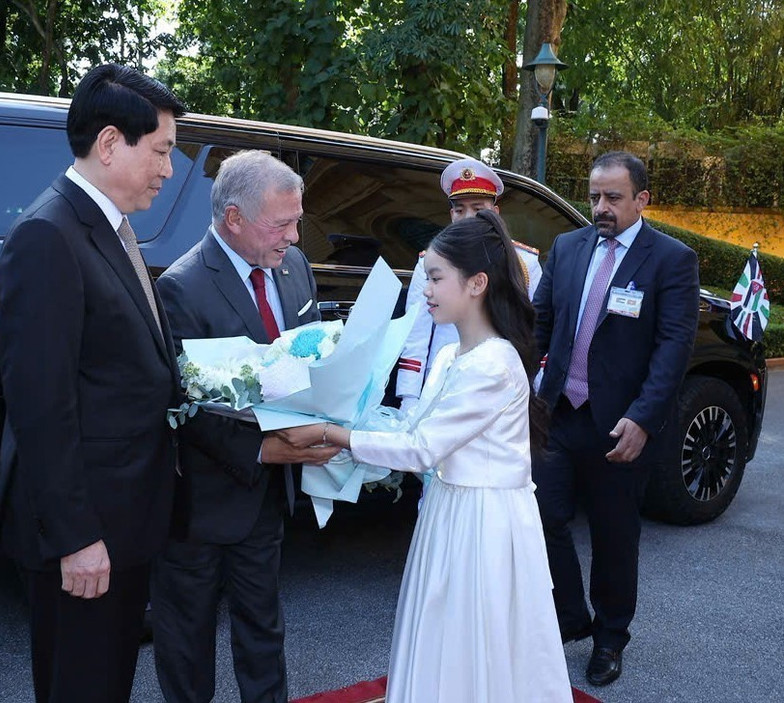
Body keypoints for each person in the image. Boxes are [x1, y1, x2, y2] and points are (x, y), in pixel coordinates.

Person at [283, 210, 572, 702]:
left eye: (436, 278)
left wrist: (335, 433)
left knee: (475, 636)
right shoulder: (448, 355)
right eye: (425, 278)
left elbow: (421, 448)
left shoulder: (494, 366)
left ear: (478, 283)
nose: (426, 290)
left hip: (483, 521)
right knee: (441, 627)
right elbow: (413, 429)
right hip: (450, 508)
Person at [0, 64, 185, 703]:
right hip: (85, 537)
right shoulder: (48, 236)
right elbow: (41, 407)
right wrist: (76, 539)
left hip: (121, 524)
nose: (168, 170)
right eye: (160, 151)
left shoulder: (106, 227)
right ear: (108, 144)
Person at [151, 150, 339, 703]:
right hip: (200, 504)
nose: (295, 236)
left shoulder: (294, 267)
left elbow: (306, 358)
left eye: (297, 220)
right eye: (282, 223)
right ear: (233, 218)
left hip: (265, 500)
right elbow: (187, 404)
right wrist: (265, 450)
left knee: (264, 629)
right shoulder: (181, 288)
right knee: (187, 640)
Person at [532, 151, 700, 686]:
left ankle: (609, 639)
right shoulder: (567, 247)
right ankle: (570, 619)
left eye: (613, 197)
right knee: (542, 518)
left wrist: (644, 418)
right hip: (559, 414)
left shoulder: (670, 259)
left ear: (642, 199)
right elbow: (541, 322)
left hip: (620, 426)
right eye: (594, 195)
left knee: (613, 537)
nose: (600, 207)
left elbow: (674, 346)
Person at [396, 156, 542, 413]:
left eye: (478, 208)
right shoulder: (429, 263)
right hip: (442, 381)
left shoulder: (524, 263)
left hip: (501, 384)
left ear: (494, 212)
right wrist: (410, 400)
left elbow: (535, 332)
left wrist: (535, 390)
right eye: (459, 210)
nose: (467, 217)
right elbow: (415, 335)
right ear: (451, 213)